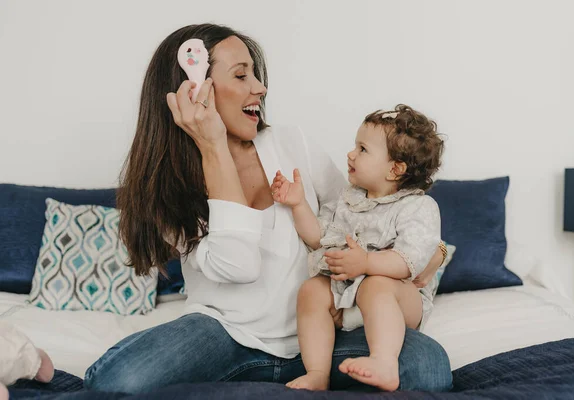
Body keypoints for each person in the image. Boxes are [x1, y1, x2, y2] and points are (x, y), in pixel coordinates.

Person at [83, 23, 452, 394]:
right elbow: (240, 266)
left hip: (323, 334)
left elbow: (363, 217)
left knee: (428, 367)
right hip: (225, 334)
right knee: (117, 381)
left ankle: (315, 371)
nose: (259, 87)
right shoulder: (169, 186)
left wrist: (433, 253)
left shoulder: (293, 143)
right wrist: (214, 148)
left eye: (256, 74)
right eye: (241, 75)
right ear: (195, 90)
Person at [271, 105, 445, 391]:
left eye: (363, 149)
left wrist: (365, 264)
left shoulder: (419, 207)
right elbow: (318, 238)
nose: (351, 154)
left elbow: (407, 262)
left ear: (395, 169)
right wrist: (298, 204)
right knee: (312, 290)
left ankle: (384, 362)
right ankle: (317, 373)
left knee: (377, 286)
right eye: (355, 145)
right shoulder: (347, 199)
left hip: (401, 300)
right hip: (347, 294)